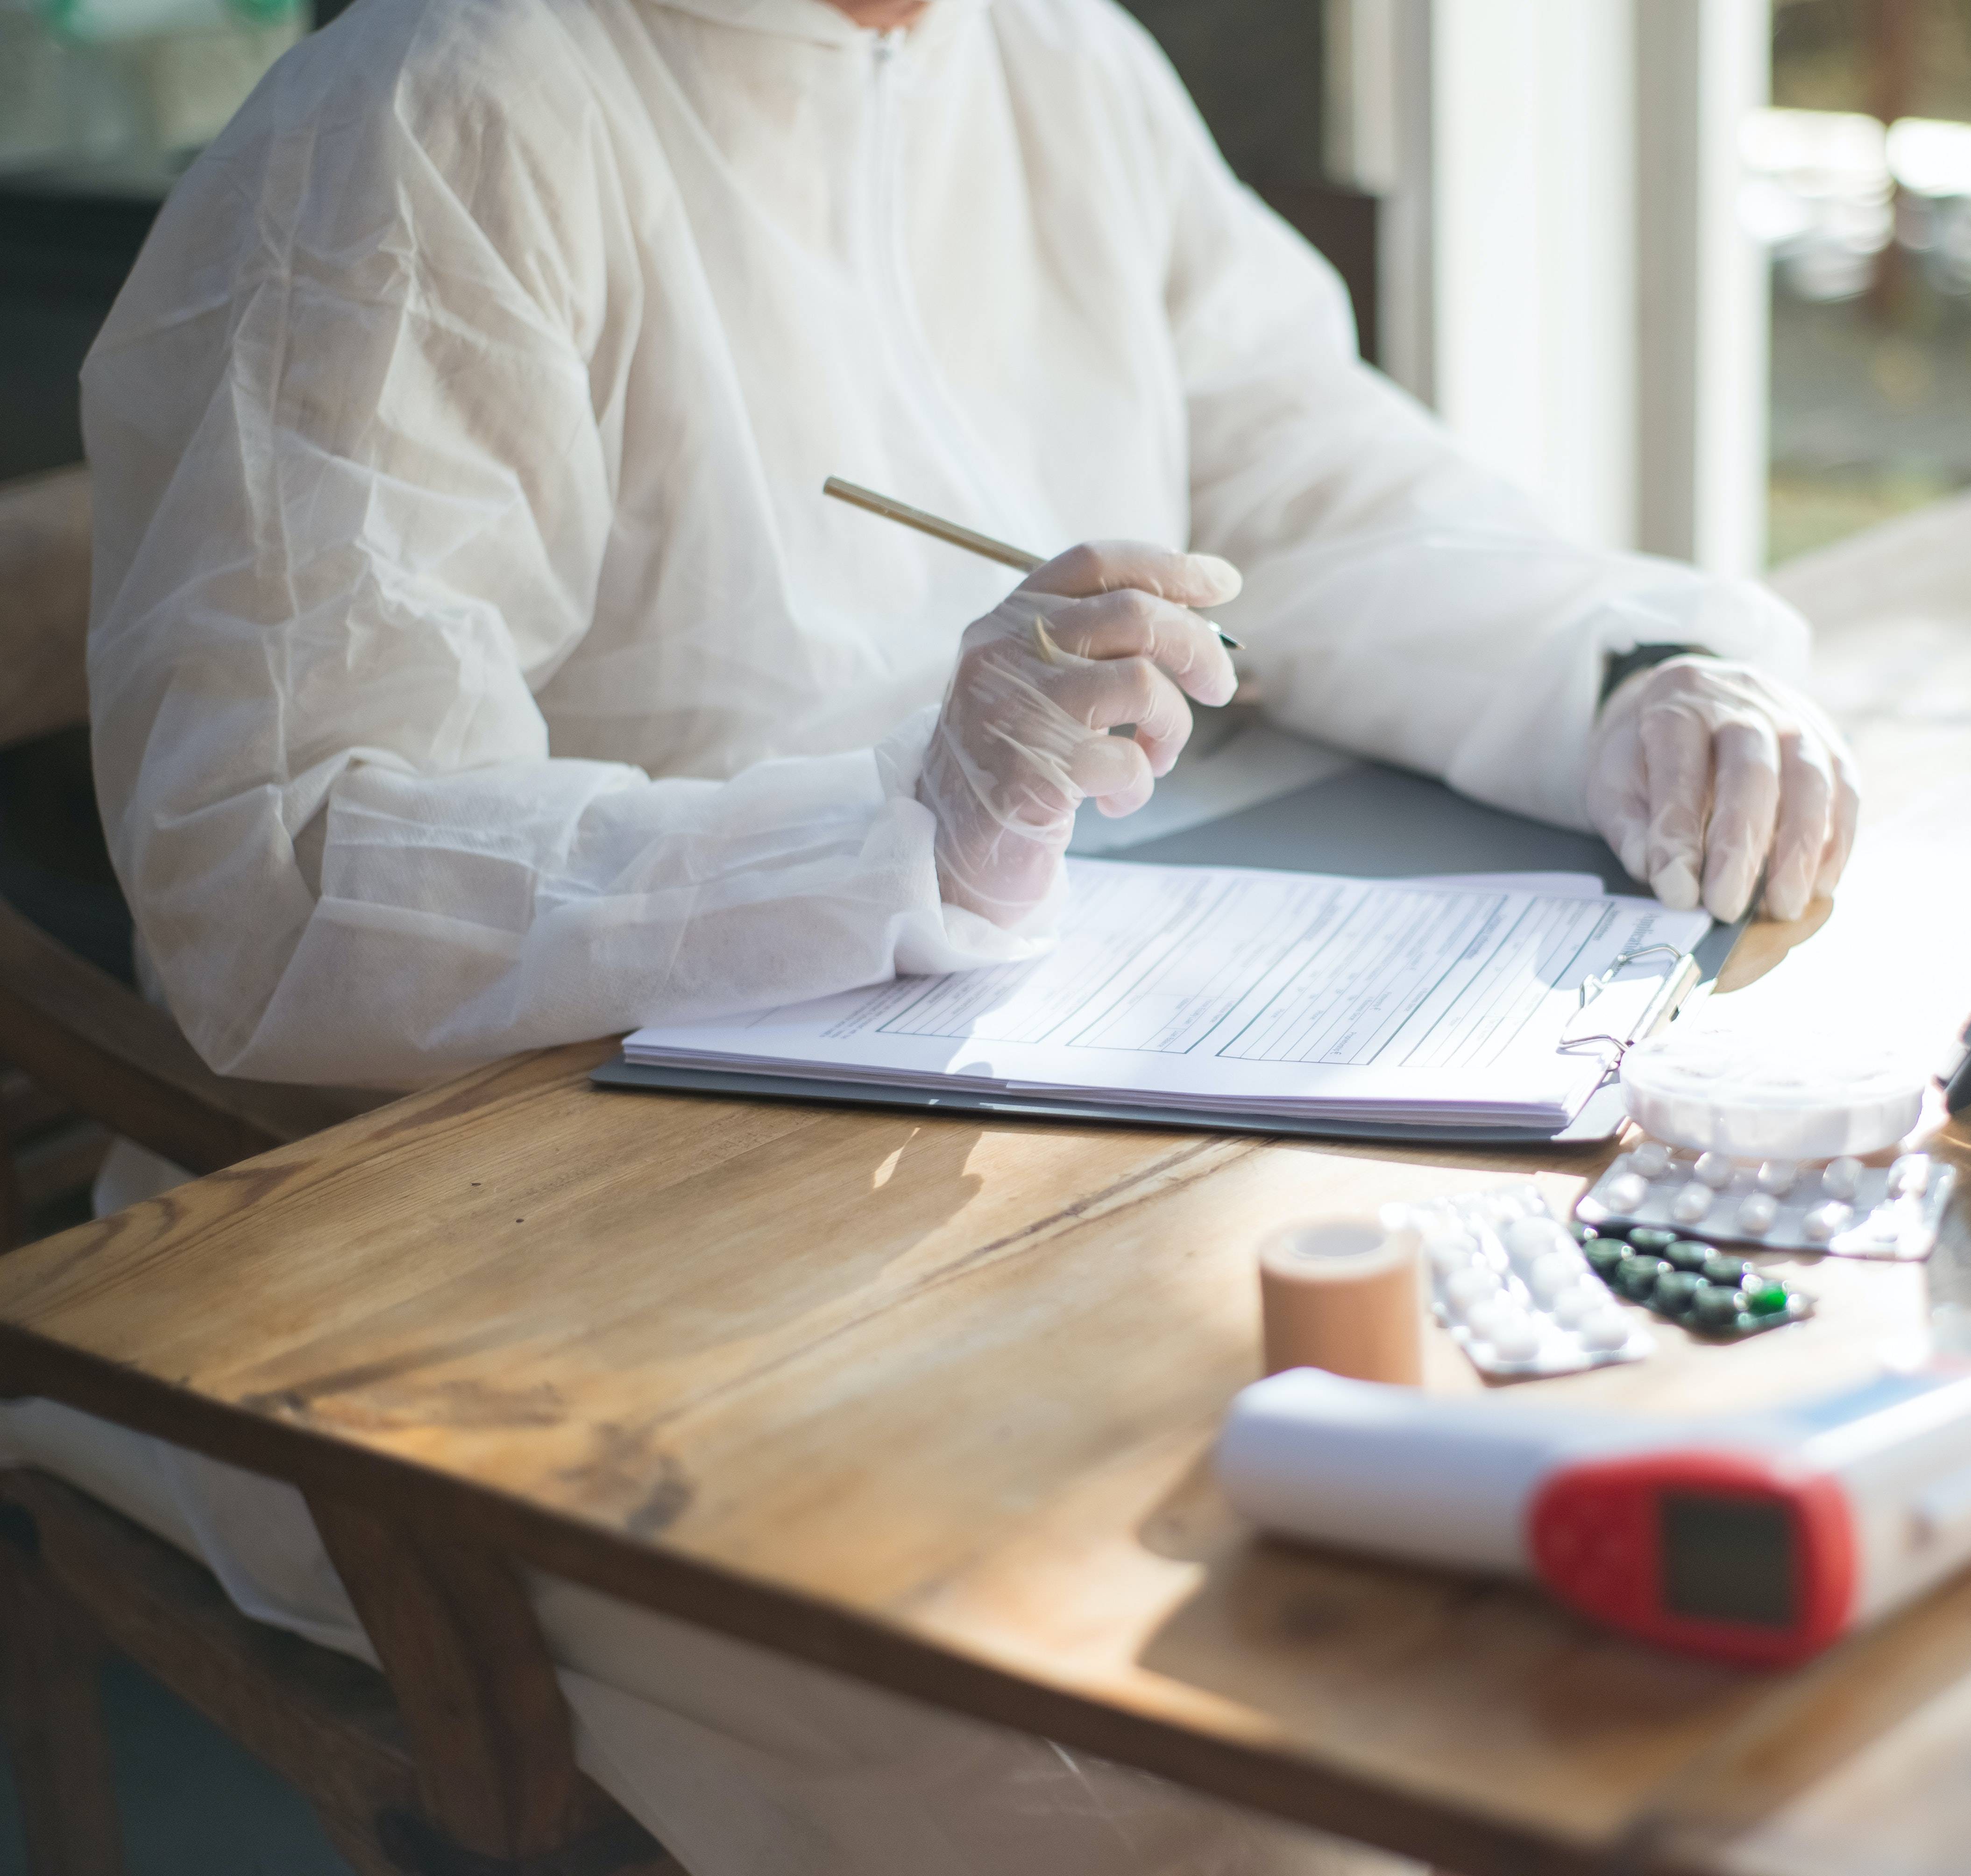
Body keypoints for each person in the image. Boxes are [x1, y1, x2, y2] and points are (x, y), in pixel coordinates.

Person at [6, 0, 1863, 1869]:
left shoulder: (1051, 55)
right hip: (514, 1268)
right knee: (1197, 1735)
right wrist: (893, 827)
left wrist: (1623, 676)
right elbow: (286, 874)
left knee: (1523, 1558)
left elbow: (1316, 487)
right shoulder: (440, 113)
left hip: (1008, 1140)